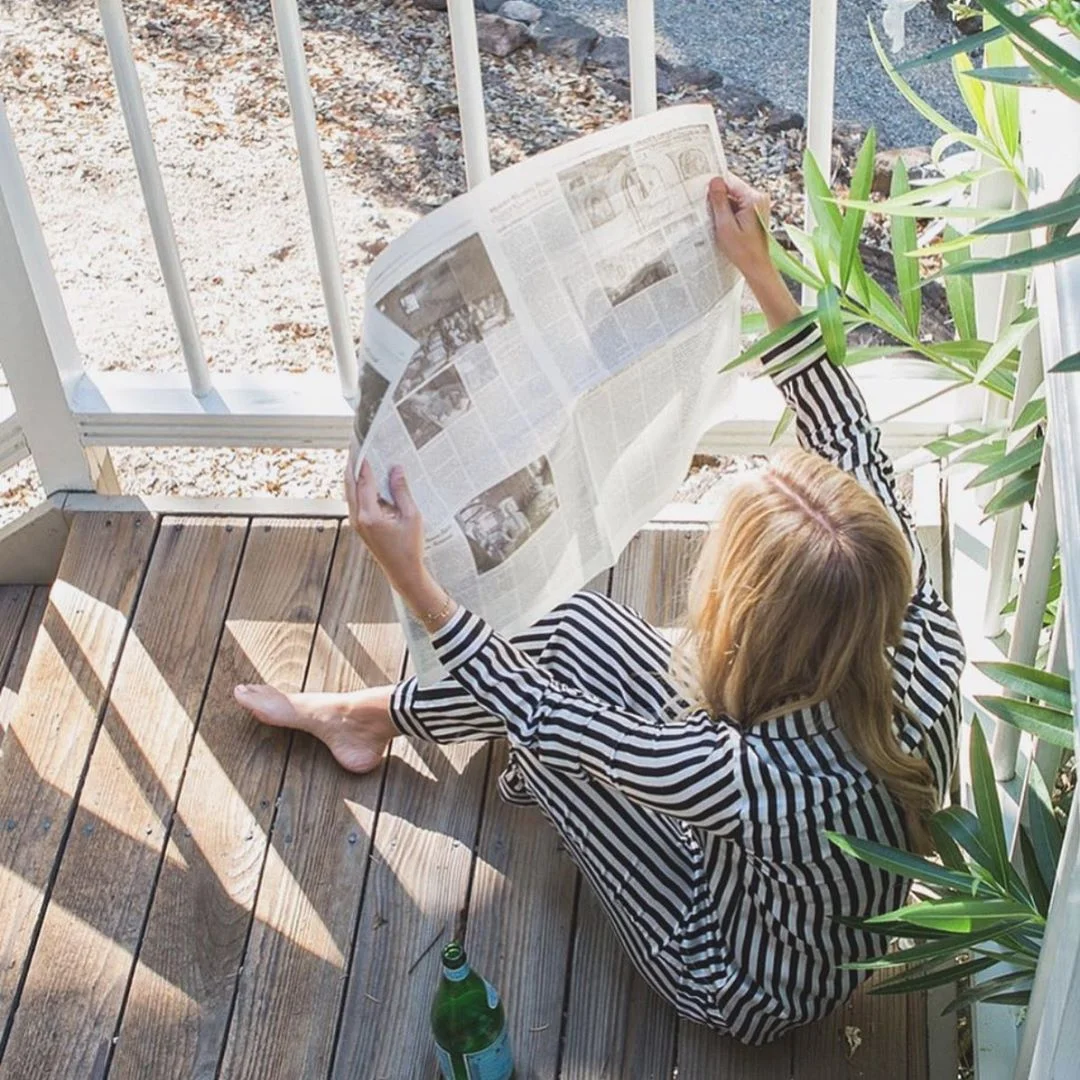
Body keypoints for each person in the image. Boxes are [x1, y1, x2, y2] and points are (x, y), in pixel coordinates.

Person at [234, 174, 965, 1045]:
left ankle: (367, 719)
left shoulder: (745, 778)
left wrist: (416, 581)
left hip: (736, 966)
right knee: (561, 622)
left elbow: (546, 718)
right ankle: (374, 721)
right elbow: (851, 440)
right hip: (789, 854)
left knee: (550, 755)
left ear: (755, 619)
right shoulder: (910, 605)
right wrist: (763, 277)